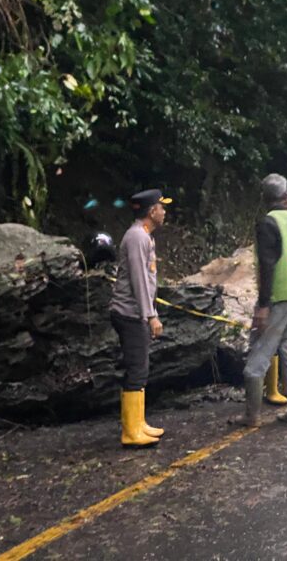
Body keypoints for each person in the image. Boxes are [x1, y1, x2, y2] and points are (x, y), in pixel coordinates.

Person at [237, 174, 287, 427]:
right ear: (285, 195)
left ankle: (252, 415)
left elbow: (267, 266)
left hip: (278, 298)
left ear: (264, 197)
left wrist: (263, 305)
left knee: (260, 352)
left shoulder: (268, 223)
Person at [110, 189, 172, 447]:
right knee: (136, 368)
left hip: (135, 313)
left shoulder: (143, 236)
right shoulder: (137, 237)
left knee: (141, 366)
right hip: (129, 313)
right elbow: (139, 281)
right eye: (161, 207)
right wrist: (151, 316)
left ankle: (138, 422)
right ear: (151, 211)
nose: (164, 211)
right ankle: (130, 431)